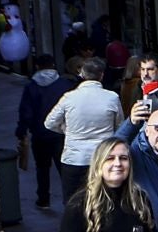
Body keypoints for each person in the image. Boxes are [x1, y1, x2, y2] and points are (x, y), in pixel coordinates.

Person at [47, 59, 123, 197]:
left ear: (82, 74)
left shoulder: (69, 97)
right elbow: (119, 126)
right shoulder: (112, 98)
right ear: (102, 75)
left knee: (73, 203)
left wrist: (66, 130)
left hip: (74, 158)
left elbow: (50, 123)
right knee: (105, 200)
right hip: (103, 157)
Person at [16, 56, 74, 211]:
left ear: (37, 66)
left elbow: (26, 112)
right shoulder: (64, 84)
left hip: (40, 134)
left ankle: (43, 199)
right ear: (53, 65)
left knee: (42, 168)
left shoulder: (31, 87)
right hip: (61, 134)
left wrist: (21, 132)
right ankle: (71, 200)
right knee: (64, 168)